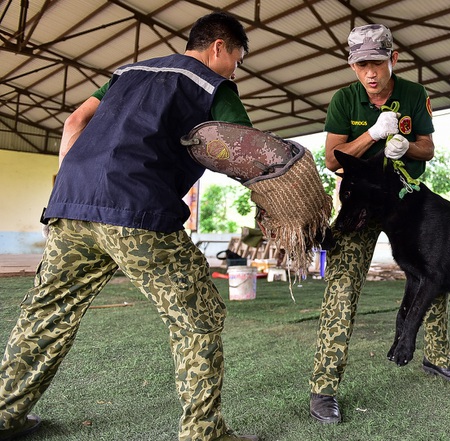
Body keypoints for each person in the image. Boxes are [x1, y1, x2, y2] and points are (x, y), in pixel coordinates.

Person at [0, 11, 259, 441]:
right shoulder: (214, 85)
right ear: (220, 48)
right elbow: (246, 152)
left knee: (47, 312)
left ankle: (5, 415)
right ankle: (203, 433)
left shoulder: (130, 71)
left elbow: (74, 122)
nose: (236, 69)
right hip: (137, 209)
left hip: (72, 206)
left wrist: (69, 186)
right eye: (237, 59)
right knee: (198, 317)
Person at [309, 24, 450, 424]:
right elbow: (332, 160)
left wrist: (405, 145)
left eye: (376, 63)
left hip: (407, 199)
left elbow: (428, 148)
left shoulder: (414, 95)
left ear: (393, 60)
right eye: (361, 64)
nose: (369, 72)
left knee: (433, 275)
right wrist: (373, 134)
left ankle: (437, 358)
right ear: (352, 66)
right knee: (343, 287)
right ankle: (323, 389)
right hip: (360, 204)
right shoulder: (344, 100)